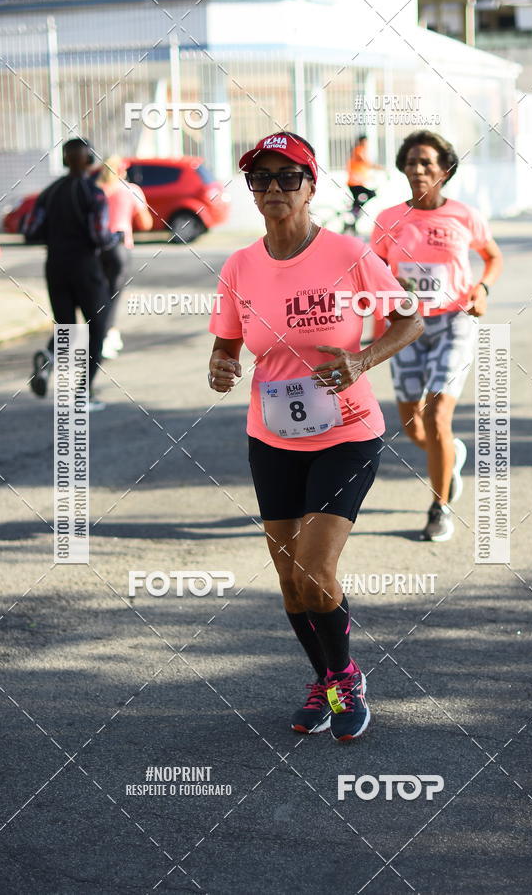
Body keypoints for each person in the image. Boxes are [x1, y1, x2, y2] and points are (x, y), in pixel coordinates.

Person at [208, 132, 423, 741]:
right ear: (251, 191)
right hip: (271, 435)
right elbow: (227, 341)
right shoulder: (239, 265)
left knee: (314, 568)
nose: (273, 188)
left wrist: (362, 361)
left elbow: (409, 317)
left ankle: (346, 676)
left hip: (347, 433)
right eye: (261, 179)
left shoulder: (349, 256)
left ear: (311, 185)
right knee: (287, 578)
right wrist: (221, 366)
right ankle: (324, 677)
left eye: (287, 177)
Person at [370, 130, 503, 542]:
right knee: (413, 427)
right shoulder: (387, 220)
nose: (418, 169)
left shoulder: (464, 215)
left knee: (437, 415)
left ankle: (439, 507)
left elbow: (492, 256)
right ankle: (450, 456)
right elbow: (372, 274)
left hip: (454, 321)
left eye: (426, 162)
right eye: (411, 162)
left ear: (444, 169)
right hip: (405, 327)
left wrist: (482, 289)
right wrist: (376, 327)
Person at [23, 138, 122, 409]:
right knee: (96, 330)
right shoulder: (94, 193)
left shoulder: (49, 193)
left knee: (66, 328)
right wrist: (116, 237)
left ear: (66, 160)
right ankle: (82, 395)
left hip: (55, 266)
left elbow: (29, 231)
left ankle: (47, 357)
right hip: (86, 268)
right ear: (89, 161)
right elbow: (100, 237)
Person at [96, 155, 153, 358]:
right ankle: (106, 337)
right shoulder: (131, 190)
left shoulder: (97, 190)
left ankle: (100, 336)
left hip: (95, 248)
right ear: (122, 172)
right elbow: (146, 223)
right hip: (119, 247)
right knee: (113, 295)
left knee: (96, 295)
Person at [346, 135, 382, 225]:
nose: (366, 144)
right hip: (354, 183)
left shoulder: (359, 150)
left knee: (357, 206)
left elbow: (361, 168)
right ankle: (355, 209)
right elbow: (366, 162)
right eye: (365, 142)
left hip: (356, 182)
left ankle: (353, 220)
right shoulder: (359, 150)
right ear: (361, 142)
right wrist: (381, 168)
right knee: (371, 193)